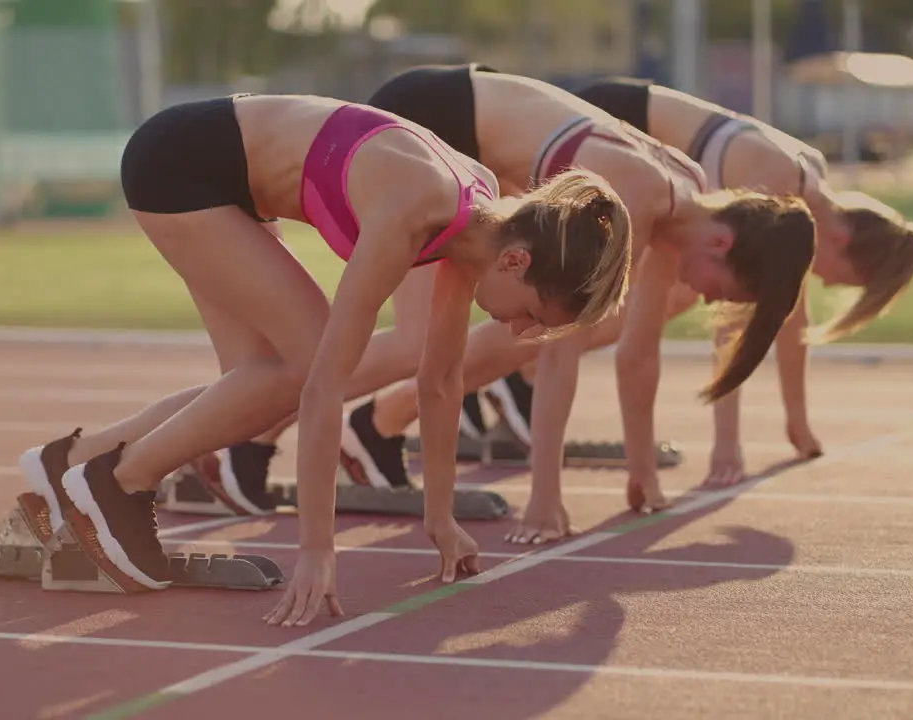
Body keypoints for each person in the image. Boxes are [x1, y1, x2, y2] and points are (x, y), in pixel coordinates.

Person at [13, 92, 634, 627]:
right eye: (534, 316)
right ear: (517, 262)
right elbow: (326, 387)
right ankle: (117, 482)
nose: (520, 333)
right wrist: (317, 548)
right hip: (182, 164)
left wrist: (439, 517)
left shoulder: (477, 221)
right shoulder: (413, 209)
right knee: (308, 363)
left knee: (256, 388)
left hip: (223, 177)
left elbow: (441, 380)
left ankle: (75, 459)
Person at [315, 64, 816, 506]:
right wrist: (545, 497)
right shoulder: (640, 201)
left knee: (465, 337)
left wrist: (641, 472)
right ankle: (263, 426)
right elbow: (559, 353)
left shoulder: (681, 206)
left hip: (470, 134)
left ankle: (361, 425)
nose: (707, 299)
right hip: (431, 116)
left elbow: (638, 354)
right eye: (723, 292)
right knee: (418, 343)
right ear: (721, 244)